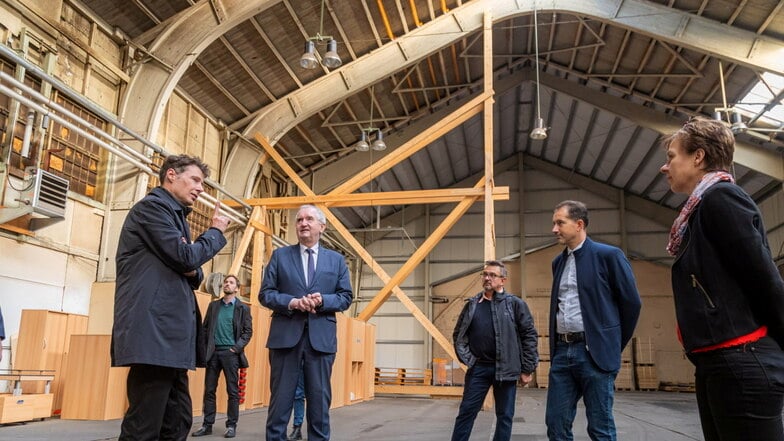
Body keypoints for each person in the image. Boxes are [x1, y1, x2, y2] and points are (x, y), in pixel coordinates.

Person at [660, 116, 784, 441]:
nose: (664, 166)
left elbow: (764, 279)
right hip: (720, 361)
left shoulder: (721, 199)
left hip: (742, 359)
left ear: (698, 156)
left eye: (671, 156)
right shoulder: (700, 209)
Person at [111, 154, 230, 441]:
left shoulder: (175, 218)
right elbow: (186, 257)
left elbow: (194, 271)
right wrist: (215, 232)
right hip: (154, 335)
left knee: (177, 421)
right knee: (144, 425)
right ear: (172, 175)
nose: (201, 188)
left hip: (171, 338)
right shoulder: (152, 209)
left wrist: (190, 266)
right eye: (196, 180)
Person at [546, 200, 641, 441]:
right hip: (562, 352)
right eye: (554, 223)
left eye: (560, 223)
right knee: (555, 424)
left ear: (579, 224)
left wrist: (610, 342)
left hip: (594, 354)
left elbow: (631, 304)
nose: (554, 229)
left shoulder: (609, 256)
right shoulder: (558, 262)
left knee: (600, 427)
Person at [260, 204, 353, 441]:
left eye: (309, 219)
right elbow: (266, 294)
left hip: (320, 340)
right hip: (285, 339)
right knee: (280, 401)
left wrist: (323, 300)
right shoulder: (280, 256)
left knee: (319, 403)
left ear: (321, 226)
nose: (303, 223)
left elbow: (345, 297)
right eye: (299, 219)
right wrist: (292, 302)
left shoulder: (336, 260)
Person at [450, 260, 539, 441]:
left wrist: (527, 368)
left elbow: (529, 336)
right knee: (466, 412)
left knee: (505, 416)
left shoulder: (515, 305)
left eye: (492, 275)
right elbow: (459, 335)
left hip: (506, 369)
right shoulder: (472, 304)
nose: (487, 278)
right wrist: (469, 359)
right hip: (478, 369)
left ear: (503, 280)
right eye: (485, 274)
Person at [192, 274, 253, 439]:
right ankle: (207, 425)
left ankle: (231, 425)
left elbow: (248, 332)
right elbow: (205, 329)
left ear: (237, 288)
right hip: (213, 354)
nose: (227, 284)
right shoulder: (213, 306)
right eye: (226, 282)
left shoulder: (243, 308)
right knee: (209, 390)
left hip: (231, 354)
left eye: (231, 282)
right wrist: (205, 350)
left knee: (233, 391)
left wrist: (235, 348)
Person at [287, 366, 305, 440]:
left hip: (315, 358)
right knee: (298, 394)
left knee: (315, 395)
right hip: (299, 359)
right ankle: (297, 428)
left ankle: (315, 432)